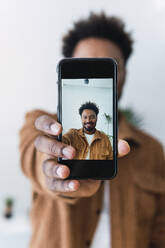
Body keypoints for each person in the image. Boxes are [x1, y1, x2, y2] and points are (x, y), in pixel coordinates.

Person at [19, 13, 165, 248]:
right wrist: (50, 167)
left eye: (107, 69)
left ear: (124, 74)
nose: (95, 79)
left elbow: (160, 234)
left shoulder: (153, 151)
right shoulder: (39, 126)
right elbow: (32, 156)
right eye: (85, 67)